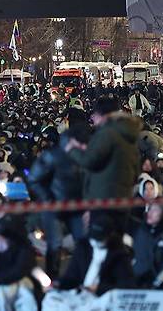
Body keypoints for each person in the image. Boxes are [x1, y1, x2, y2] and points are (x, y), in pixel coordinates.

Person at [66, 96, 141, 230]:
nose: (93, 118)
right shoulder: (126, 133)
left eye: (95, 114)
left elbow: (89, 161)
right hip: (122, 196)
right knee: (116, 241)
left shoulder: (107, 133)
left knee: (101, 240)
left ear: (103, 116)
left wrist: (73, 149)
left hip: (104, 199)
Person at [42, 215, 136, 310]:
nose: (95, 241)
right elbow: (72, 276)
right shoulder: (83, 247)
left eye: (99, 238)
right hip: (80, 294)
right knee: (51, 299)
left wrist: (98, 288)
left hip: (101, 297)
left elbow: (126, 285)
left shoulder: (118, 255)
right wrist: (58, 284)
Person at [27, 130, 84, 278]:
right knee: (54, 244)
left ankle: (81, 277)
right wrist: (48, 198)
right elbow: (33, 179)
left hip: (76, 206)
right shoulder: (51, 156)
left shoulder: (83, 157)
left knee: (83, 240)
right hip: (54, 207)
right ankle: (53, 279)